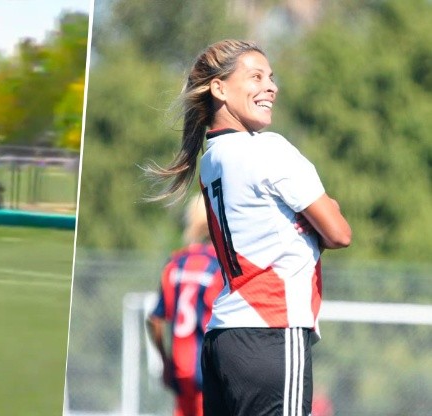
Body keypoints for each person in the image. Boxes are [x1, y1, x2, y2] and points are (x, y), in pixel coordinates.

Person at [147, 39, 352, 416]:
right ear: (219, 88)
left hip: (222, 339)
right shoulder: (269, 149)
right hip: (272, 330)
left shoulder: (212, 160)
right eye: (255, 76)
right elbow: (339, 232)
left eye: (271, 78)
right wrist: (324, 216)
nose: (271, 86)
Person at [147, 196, 224, 416]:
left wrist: (165, 359)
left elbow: (155, 320)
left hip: (181, 370)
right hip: (211, 374)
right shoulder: (220, 265)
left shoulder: (175, 264)